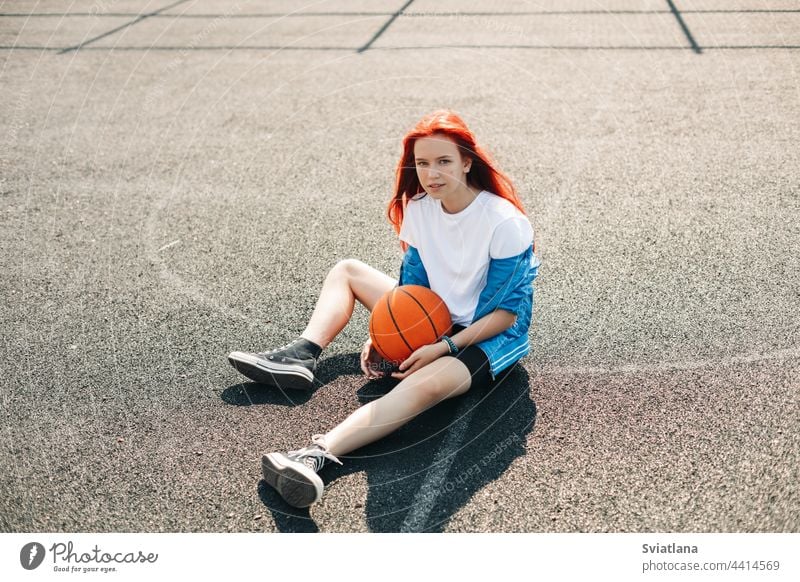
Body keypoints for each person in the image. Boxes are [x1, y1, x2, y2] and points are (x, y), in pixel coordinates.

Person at [228, 110, 541, 508]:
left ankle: (314, 457)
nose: (432, 173)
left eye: (444, 162)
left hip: (487, 336)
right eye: (423, 163)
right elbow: (412, 288)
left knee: (419, 386)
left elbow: (505, 314)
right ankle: (301, 355)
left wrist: (442, 347)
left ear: (467, 161)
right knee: (348, 271)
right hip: (436, 314)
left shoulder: (504, 223)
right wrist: (384, 334)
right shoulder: (420, 207)